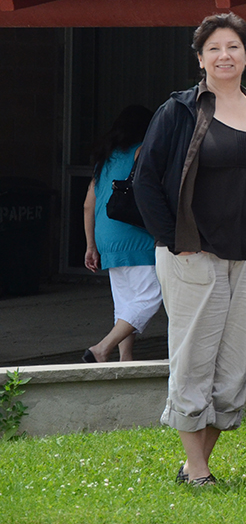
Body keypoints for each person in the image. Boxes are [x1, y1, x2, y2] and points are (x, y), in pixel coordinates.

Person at [133, 12, 246, 486]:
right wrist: (174, 241)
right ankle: (200, 469)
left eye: (233, 47)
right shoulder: (181, 110)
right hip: (194, 256)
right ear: (200, 58)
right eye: (214, 49)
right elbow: (146, 181)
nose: (224, 56)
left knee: (234, 367)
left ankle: (193, 463)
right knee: (195, 359)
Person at [82, 105, 162, 363]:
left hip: (107, 238)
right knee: (151, 296)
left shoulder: (104, 158)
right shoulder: (143, 151)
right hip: (136, 236)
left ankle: (125, 360)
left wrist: (90, 246)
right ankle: (102, 348)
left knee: (125, 303)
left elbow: (87, 205)